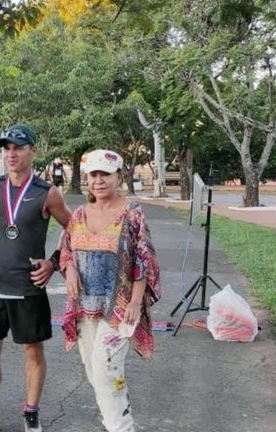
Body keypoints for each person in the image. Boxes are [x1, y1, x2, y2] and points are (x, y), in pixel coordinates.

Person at [0, 124, 71, 432]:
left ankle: (31, 411)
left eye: (18, 147)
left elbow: (75, 230)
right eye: (6, 148)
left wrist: (53, 263)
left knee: (32, 350)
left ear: (32, 151)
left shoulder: (47, 193)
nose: (11, 153)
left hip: (28, 287)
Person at [60, 149, 161, 432]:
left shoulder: (132, 214)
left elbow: (143, 259)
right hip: (84, 306)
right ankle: (115, 421)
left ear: (119, 177)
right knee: (94, 371)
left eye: (106, 174)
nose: (99, 180)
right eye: (94, 174)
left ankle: (122, 428)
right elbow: (65, 251)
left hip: (119, 306)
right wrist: (68, 270)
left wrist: (136, 302)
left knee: (106, 369)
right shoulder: (79, 214)